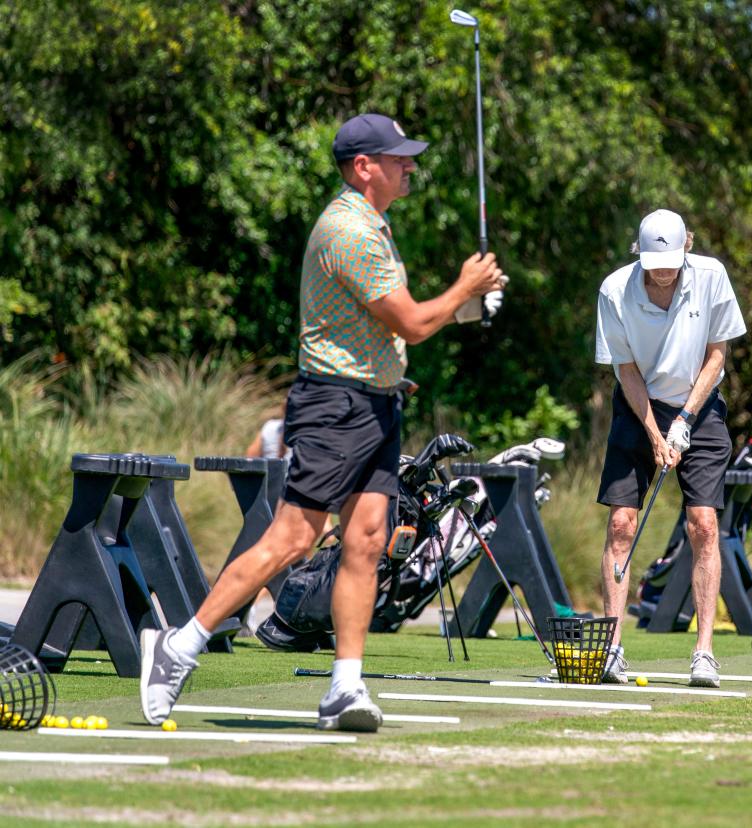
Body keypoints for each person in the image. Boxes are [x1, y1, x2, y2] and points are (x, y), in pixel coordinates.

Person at [139, 113, 506, 731]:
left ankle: (344, 688)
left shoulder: (374, 226)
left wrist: (468, 308)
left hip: (376, 405)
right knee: (292, 540)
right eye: (398, 158)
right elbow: (412, 322)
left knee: (365, 543)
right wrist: (463, 287)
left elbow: (388, 322)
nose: (409, 165)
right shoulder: (348, 230)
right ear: (364, 167)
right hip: (336, 407)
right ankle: (178, 648)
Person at [594, 209, 747, 688]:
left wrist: (684, 421)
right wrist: (657, 435)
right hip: (639, 406)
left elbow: (718, 354)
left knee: (702, 523)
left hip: (700, 405)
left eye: (671, 260)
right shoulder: (615, 290)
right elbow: (626, 370)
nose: (662, 271)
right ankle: (613, 647)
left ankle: (703, 653)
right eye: (653, 261)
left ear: (688, 247)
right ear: (638, 253)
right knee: (622, 523)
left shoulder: (711, 275)